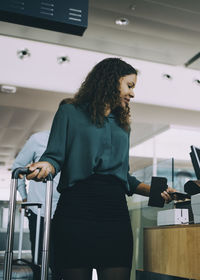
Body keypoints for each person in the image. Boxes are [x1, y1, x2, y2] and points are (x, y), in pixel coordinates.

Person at [25, 58, 175, 280]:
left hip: (115, 214)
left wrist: (154, 191)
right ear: (111, 81)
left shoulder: (123, 123)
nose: (132, 94)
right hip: (76, 211)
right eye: (129, 86)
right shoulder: (70, 112)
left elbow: (124, 178)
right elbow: (54, 156)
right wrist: (45, 166)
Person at [12, 130, 60, 269]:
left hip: (65, 211)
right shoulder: (38, 139)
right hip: (39, 211)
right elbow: (17, 167)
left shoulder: (77, 140)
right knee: (39, 262)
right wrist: (25, 197)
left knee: (62, 263)